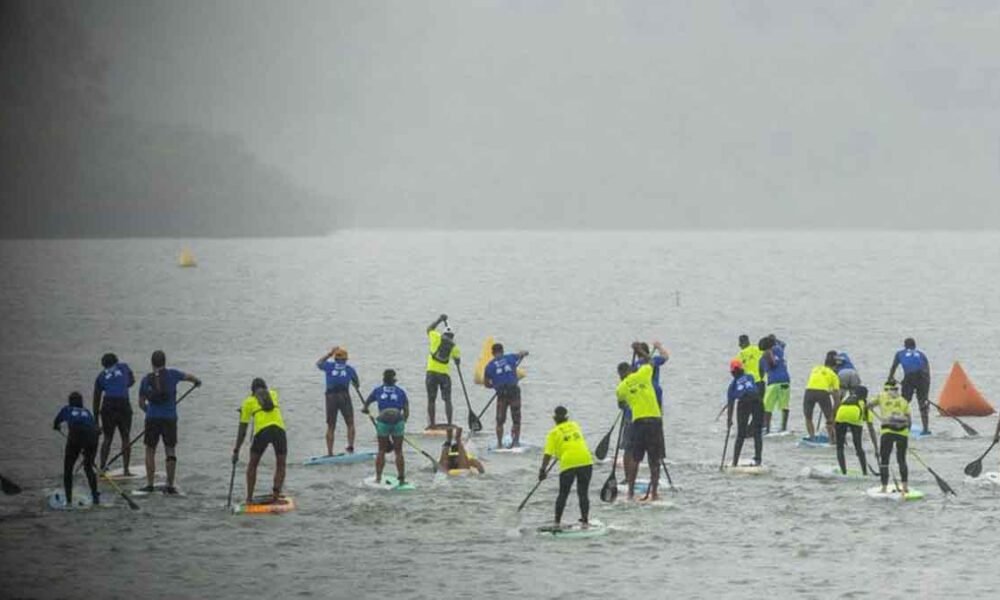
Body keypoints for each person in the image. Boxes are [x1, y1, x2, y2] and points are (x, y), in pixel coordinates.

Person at [137, 350, 201, 494]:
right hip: (170, 418)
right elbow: (190, 377)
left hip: (152, 418)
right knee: (170, 449)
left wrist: (151, 412)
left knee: (150, 450)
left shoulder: (146, 380)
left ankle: (149, 485)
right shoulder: (173, 374)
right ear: (164, 361)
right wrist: (197, 382)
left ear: (152, 363)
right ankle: (170, 485)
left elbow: (141, 403)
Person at [616, 343, 664, 500]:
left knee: (636, 458)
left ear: (620, 375)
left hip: (638, 423)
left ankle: (630, 493)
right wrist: (641, 351)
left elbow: (621, 404)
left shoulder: (620, 388)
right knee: (654, 460)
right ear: (631, 370)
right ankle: (654, 493)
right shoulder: (643, 374)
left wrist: (631, 402)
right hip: (655, 421)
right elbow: (650, 361)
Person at [232, 378, 287, 503]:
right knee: (281, 464)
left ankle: (249, 498)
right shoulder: (273, 394)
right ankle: (276, 496)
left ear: (252, 391)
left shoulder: (248, 402)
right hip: (279, 430)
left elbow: (243, 431)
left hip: (262, 432)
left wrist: (236, 450)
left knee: (253, 465)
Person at [539, 406, 593, 527]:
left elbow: (548, 455)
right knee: (583, 493)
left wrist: (542, 470)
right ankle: (585, 521)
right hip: (586, 460)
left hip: (568, 463)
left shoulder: (553, 433)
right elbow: (570, 443)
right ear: (567, 417)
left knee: (563, 493)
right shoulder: (575, 425)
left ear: (554, 418)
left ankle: (557, 522)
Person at [363, 369, 409, 485]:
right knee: (398, 451)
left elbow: (366, 404)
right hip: (398, 419)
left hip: (383, 421)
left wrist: (365, 409)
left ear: (383, 379)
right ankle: (401, 478)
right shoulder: (401, 391)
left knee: (381, 450)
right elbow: (406, 410)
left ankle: (378, 477)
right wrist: (403, 423)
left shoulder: (377, 390)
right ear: (394, 380)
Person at [53, 392, 100, 505]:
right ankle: (95, 497)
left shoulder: (67, 409)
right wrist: (86, 450)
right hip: (92, 437)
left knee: (68, 469)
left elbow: (56, 422)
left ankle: (69, 500)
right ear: (81, 402)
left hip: (76, 436)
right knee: (88, 467)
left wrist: (57, 427)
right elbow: (96, 430)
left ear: (70, 402)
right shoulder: (87, 412)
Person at [93, 352, 135, 473]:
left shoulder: (100, 376)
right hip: (123, 404)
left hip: (108, 405)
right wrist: (122, 384)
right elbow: (132, 381)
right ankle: (126, 470)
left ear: (103, 365)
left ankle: (102, 467)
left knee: (107, 438)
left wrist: (96, 422)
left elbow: (96, 399)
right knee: (125, 437)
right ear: (116, 361)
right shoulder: (124, 367)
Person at [483, 343, 528, 448]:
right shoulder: (510, 357)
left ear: (493, 353)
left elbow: (486, 384)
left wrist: (494, 385)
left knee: (500, 420)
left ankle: (499, 444)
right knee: (516, 419)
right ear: (502, 351)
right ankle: (515, 442)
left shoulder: (489, 366)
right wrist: (524, 353)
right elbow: (521, 354)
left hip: (501, 394)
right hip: (514, 391)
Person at [316, 346, 359, 456]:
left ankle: (330, 452)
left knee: (331, 426)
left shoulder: (329, 366)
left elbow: (319, 363)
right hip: (344, 395)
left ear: (335, 359)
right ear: (345, 359)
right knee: (350, 423)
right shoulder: (349, 369)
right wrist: (354, 382)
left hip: (330, 397)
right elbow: (357, 384)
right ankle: (350, 447)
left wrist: (329, 353)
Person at [870, 379, 911, 493]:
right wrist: (907, 434)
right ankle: (905, 487)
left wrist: (870, 408)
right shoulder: (903, 400)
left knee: (884, 461)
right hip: (902, 433)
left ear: (886, 388)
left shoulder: (882, 396)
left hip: (887, 432)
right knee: (902, 460)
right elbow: (909, 420)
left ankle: (884, 488)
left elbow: (868, 406)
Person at [888, 338, 931, 435]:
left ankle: (907, 426)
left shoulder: (900, 353)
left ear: (905, 346)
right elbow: (927, 371)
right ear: (915, 346)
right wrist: (926, 394)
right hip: (923, 377)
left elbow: (894, 367)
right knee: (922, 403)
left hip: (910, 376)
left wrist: (890, 378)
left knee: (904, 402)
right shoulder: (921, 354)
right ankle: (926, 429)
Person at [425, 314, 460, 428]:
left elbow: (429, 329)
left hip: (431, 373)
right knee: (447, 400)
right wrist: (457, 361)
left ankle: (432, 424)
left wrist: (439, 319)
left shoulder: (436, 336)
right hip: (444, 375)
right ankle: (449, 423)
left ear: (443, 333)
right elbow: (457, 360)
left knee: (431, 399)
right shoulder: (454, 346)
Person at [726, 359, 763, 466]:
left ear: (732, 373)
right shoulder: (750, 377)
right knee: (757, 432)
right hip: (757, 401)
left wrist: (729, 420)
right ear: (742, 370)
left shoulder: (732, 386)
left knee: (741, 434)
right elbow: (754, 388)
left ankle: (735, 462)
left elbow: (731, 404)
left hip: (744, 402)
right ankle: (758, 459)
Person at [803, 352, 840, 443]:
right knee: (829, 418)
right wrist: (834, 412)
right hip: (822, 393)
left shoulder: (815, 368)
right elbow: (837, 398)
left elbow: (818, 381)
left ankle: (812, 437)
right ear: (834, 366)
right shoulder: (834, 375)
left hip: (809, 391)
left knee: (808, 417)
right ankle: (832, 440)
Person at [833, 385, 870, 475]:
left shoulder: (846, 399)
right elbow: (866, 420)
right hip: (854, 415)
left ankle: (843, 472)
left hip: (840, 414)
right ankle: (865, 472)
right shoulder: (863, 402)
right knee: (858, 446)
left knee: (840, 447)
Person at [760, 335, 791, 433]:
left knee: (768, 407)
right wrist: (773, 338)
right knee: (784, 406)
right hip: (785, 380)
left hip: (772, 383)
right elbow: (783, 343)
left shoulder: (762, 359)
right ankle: (784, 428)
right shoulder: (779, 350)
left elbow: (761, 374)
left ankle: (767, 429)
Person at [633, 341, 670, 408]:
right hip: (655, 391)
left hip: (641, 393)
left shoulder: (635, 365)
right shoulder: (654, 360)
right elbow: (666, 356)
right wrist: (659, 347)